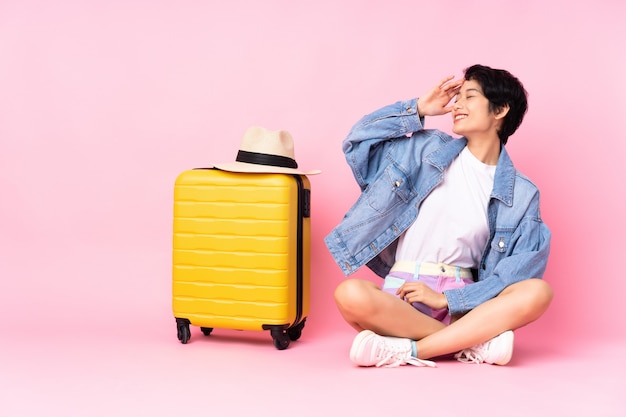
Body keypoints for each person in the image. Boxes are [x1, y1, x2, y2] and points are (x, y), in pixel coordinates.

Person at [324, 64, 553, 368]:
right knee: (351, 293)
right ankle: (469, 343)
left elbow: (515, 274)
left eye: (469, 96)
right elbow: (358, 143)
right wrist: (418, 108)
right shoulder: (426, 149)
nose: (457, 104)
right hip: (401, 298)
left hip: (467, 304)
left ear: (500, 110)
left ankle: (410, 351)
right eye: (458, 97)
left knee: (537, 291)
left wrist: (448, 300)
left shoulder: (522, 193)